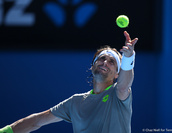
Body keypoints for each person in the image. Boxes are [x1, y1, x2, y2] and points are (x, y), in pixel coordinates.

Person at [0, 31, 138, 133]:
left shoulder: (118, 94)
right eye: (101, 59)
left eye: (112, 62)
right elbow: (36, 121)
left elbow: (123, 86)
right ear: (93, 66)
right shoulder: (75, 102)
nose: (105, 63)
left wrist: (128, 57)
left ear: (117, 74)